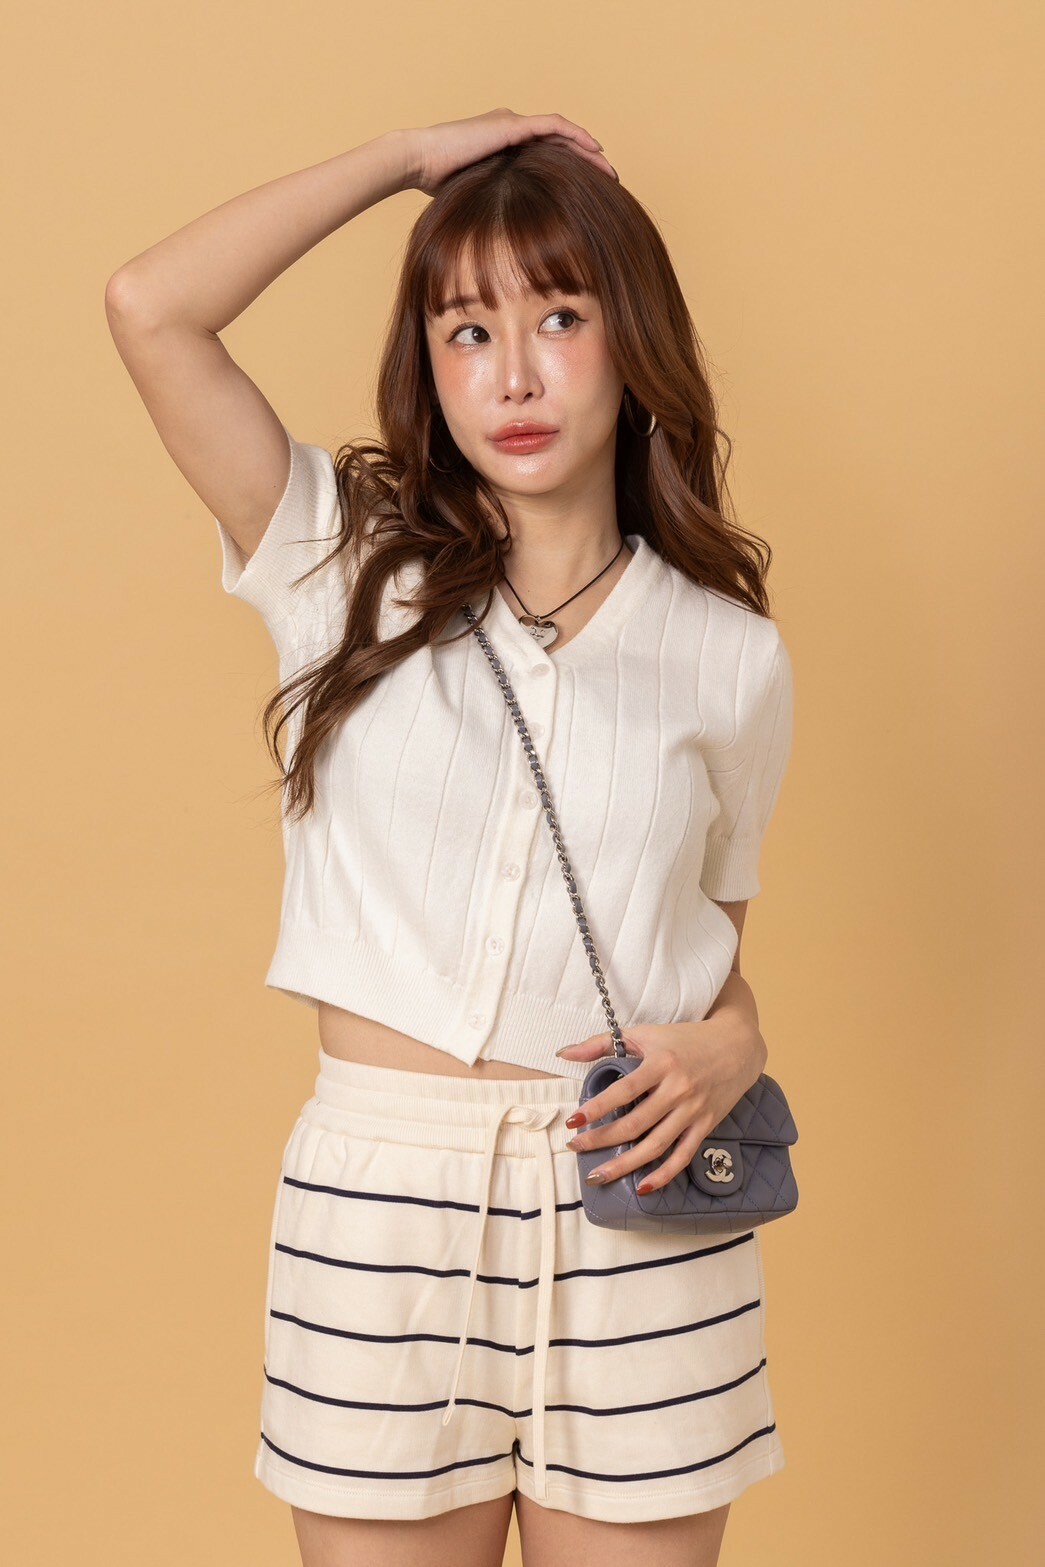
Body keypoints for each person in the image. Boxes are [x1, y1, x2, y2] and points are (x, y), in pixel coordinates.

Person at [105, 108, 795, 1567]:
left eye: (560, 317)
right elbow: (150, 305)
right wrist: (412, 158)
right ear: (427, 363)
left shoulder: (728, 654)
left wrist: (734, 1043)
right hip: (382, 1202)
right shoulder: (338, 560)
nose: (515, 375)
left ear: (632, 340)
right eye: (467, 331)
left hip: (638, 1194)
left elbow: (705, 958)